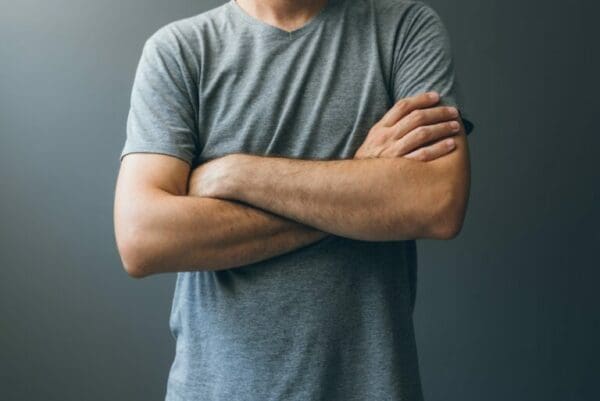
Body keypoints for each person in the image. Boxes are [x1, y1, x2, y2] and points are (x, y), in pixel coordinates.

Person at [113, 0, 475, 399]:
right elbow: (142, 238)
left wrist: (236, 173)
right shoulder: (179, 51)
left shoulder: (404, 29)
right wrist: (357, 187)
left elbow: (437, 202)